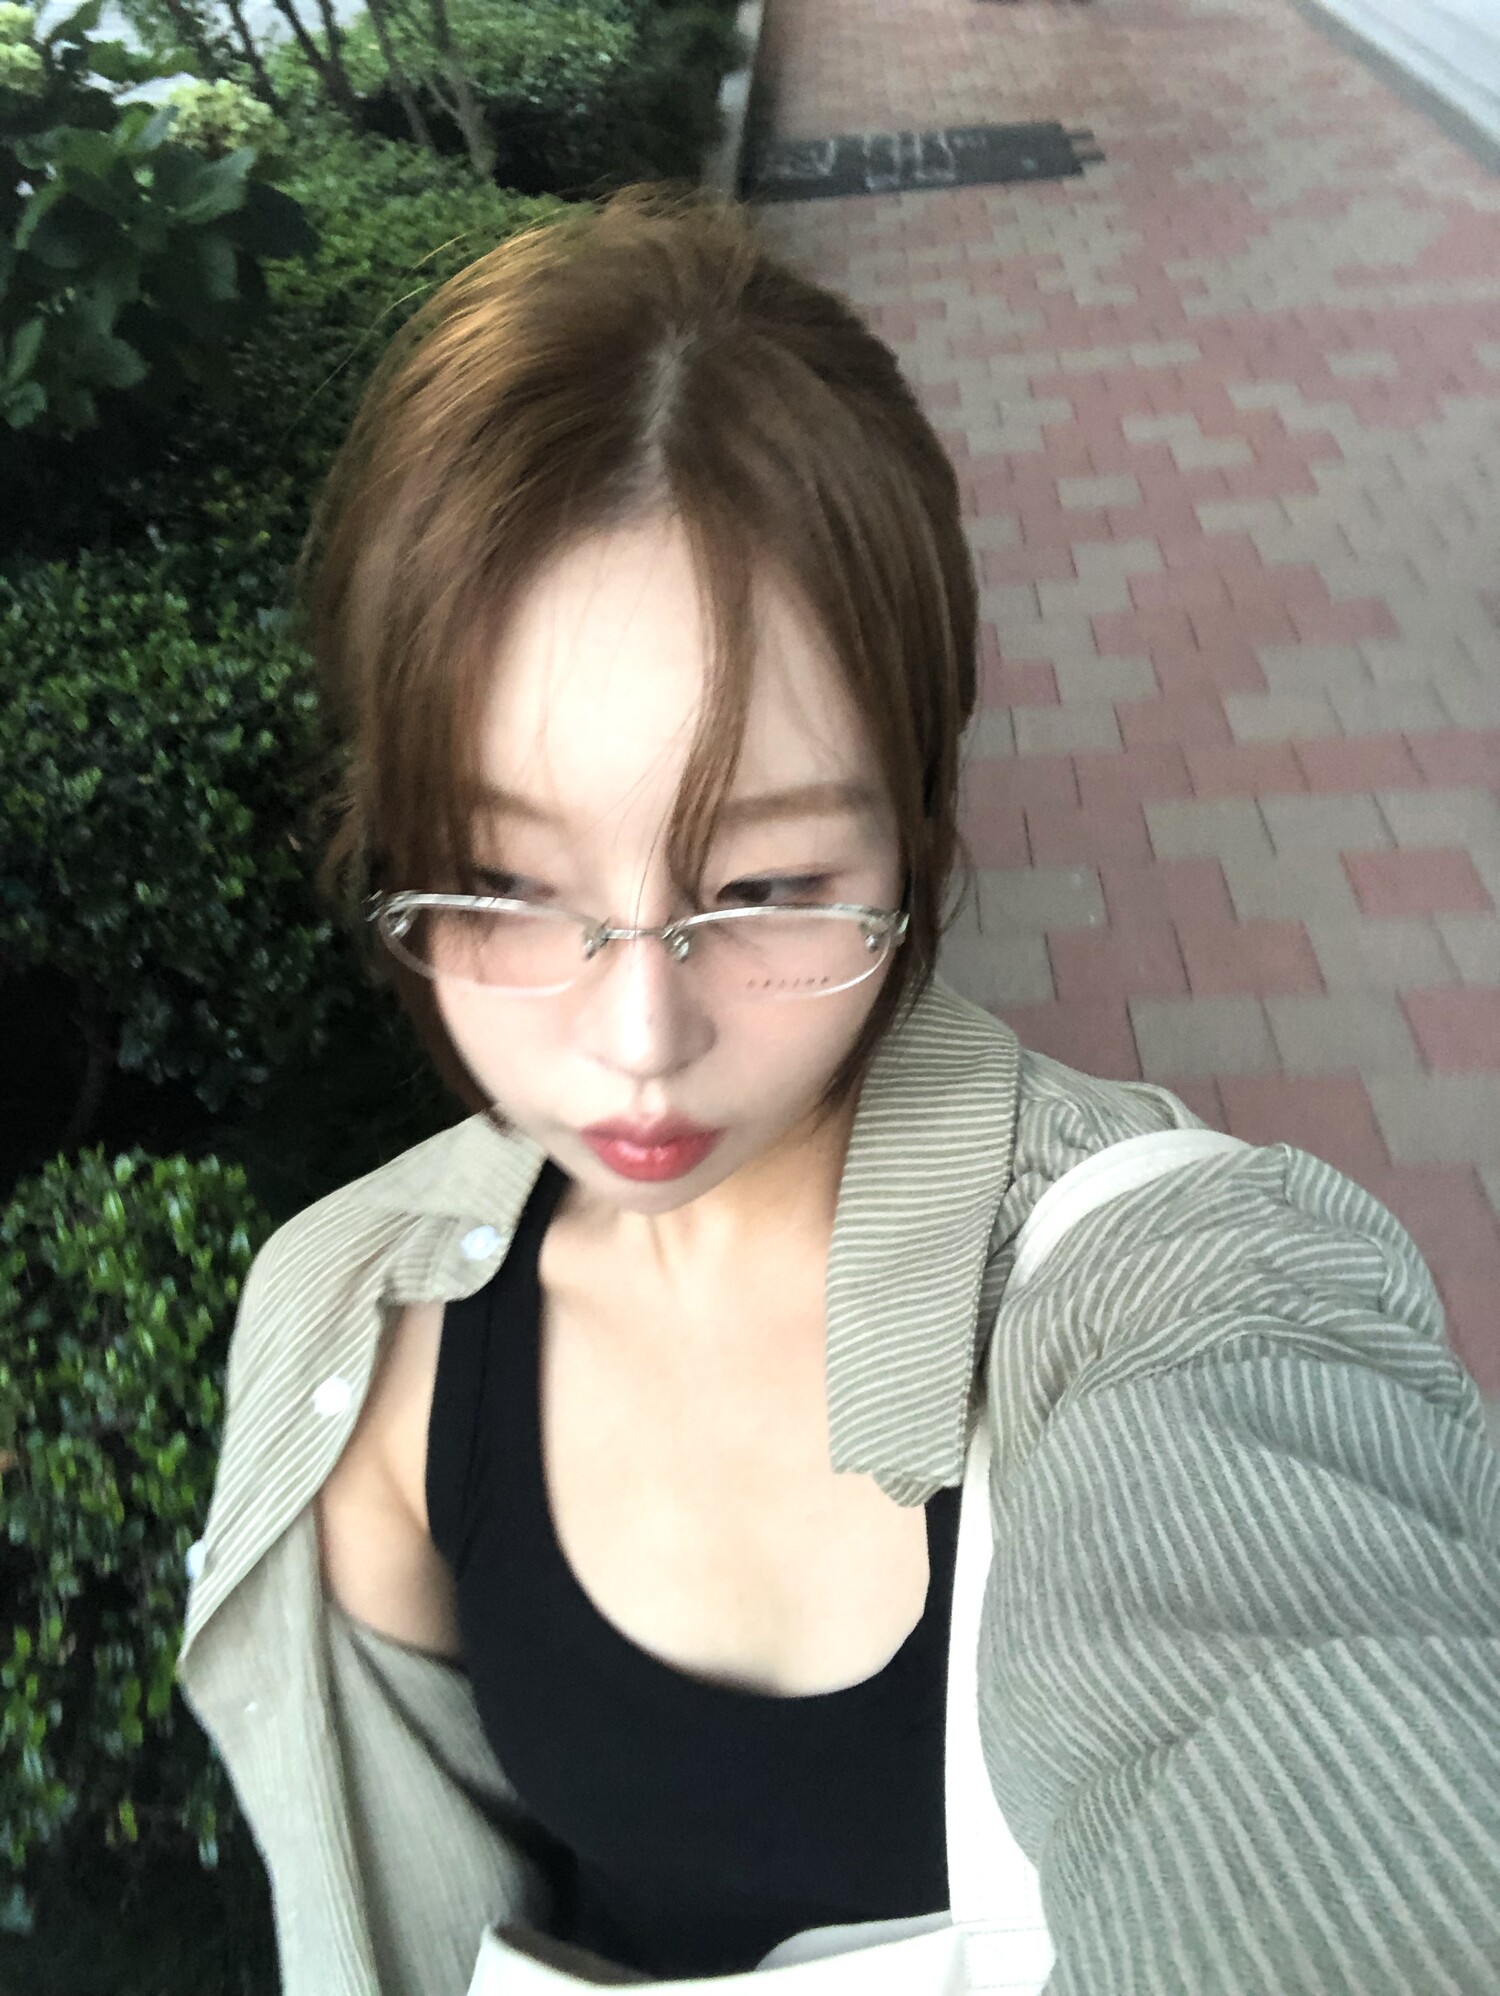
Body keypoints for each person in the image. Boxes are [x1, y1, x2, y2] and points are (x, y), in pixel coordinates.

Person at [177, 185, 1500, 1996]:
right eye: (499, 886)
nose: (641, 1035)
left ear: (918, 828)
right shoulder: (370, 1350)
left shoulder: (1172, 1289)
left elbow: (1307, 1715)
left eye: (769, 885)